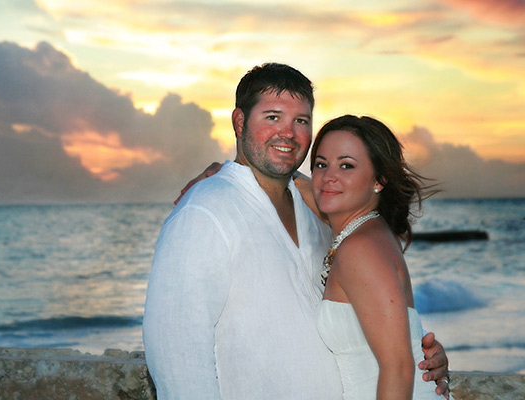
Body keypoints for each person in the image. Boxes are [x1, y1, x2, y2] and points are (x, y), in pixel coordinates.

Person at [143, 63, 450, 399]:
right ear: (239, 122)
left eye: (301, 121)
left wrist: (417, 355)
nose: (287, 133)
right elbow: (178, 353)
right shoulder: (206, 211)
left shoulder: (321, 217)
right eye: (273, 117)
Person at [311, 115, 451, 399]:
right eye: (321, 164)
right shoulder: (370, 232)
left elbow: (398, 369)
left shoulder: (360, 248)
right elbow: (300, 186)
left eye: (346, 165)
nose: (328, 176)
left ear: (379, 179)